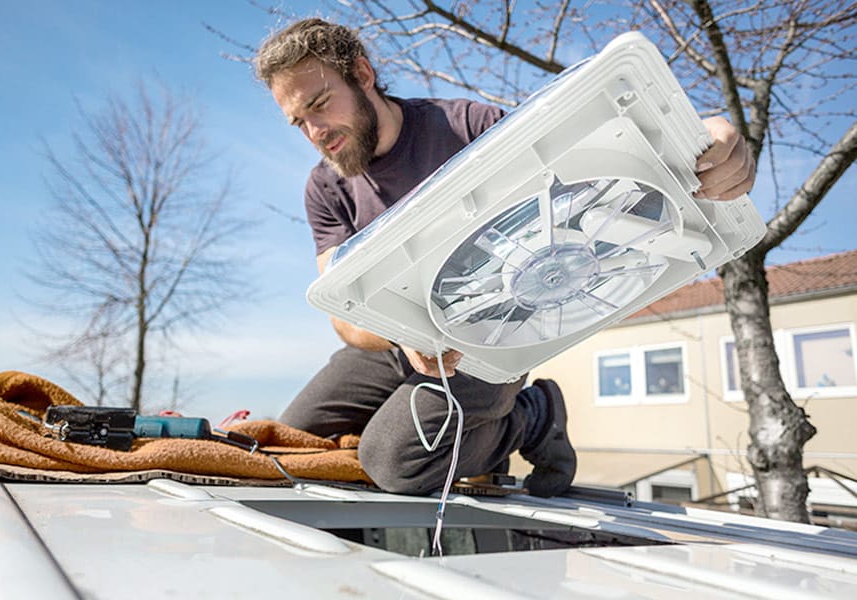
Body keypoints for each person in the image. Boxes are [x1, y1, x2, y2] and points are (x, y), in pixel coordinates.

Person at [253, 18, 756, 496]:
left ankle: (534, 415)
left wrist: (708, 139)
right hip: (396, 341)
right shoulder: (324, 187)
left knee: (392, 461)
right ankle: (464, 426)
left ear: (362, 74)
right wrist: (407, 335)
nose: (314, 131)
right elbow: (344, 316)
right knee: (284, 440)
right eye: (298, 122)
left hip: (488, 338)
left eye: (320, 104)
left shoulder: (467, 128)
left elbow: (591, 161)